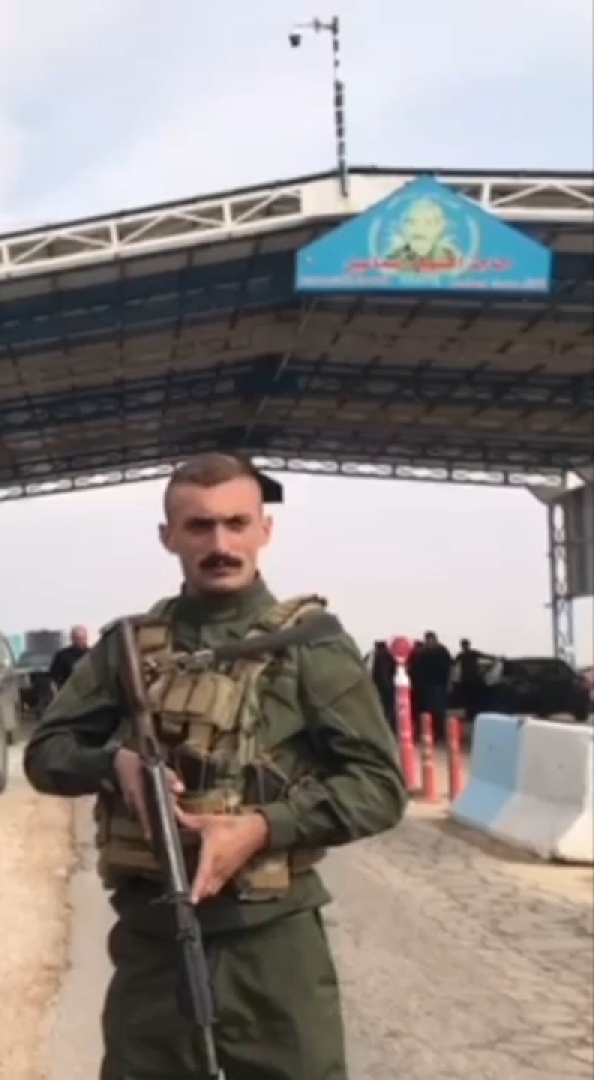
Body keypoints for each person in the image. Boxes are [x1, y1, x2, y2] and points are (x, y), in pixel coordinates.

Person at [22, 451, 407, 1080]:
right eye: (199, 526)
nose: (220, 545)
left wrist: (262, 827)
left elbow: (380, 787)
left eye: (236, 523)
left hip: (271, 947)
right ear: (168, 537)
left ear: (264, 530)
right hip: (154, 943)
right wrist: (114, 765)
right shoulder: (128, 648)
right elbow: (45, 754)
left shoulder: (311, 646)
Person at [408, 631, 454, 732]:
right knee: (427, 709)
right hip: (426, 685)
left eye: (431, 639)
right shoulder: (422, 653)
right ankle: (429, 730)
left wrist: (449, 682)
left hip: (440, 683)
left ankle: (440, 731)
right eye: (428, 640)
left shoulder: (442, 650)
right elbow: (416, 669)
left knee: (440, 709)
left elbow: (450, 667)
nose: (429, 642)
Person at [48, 624, 91, 689]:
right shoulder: (62, 656)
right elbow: (55, 677)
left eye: (84, 638)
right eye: (78, 638)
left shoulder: (92, 654)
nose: (81, 641)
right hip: (70, 690)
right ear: (72, 638)